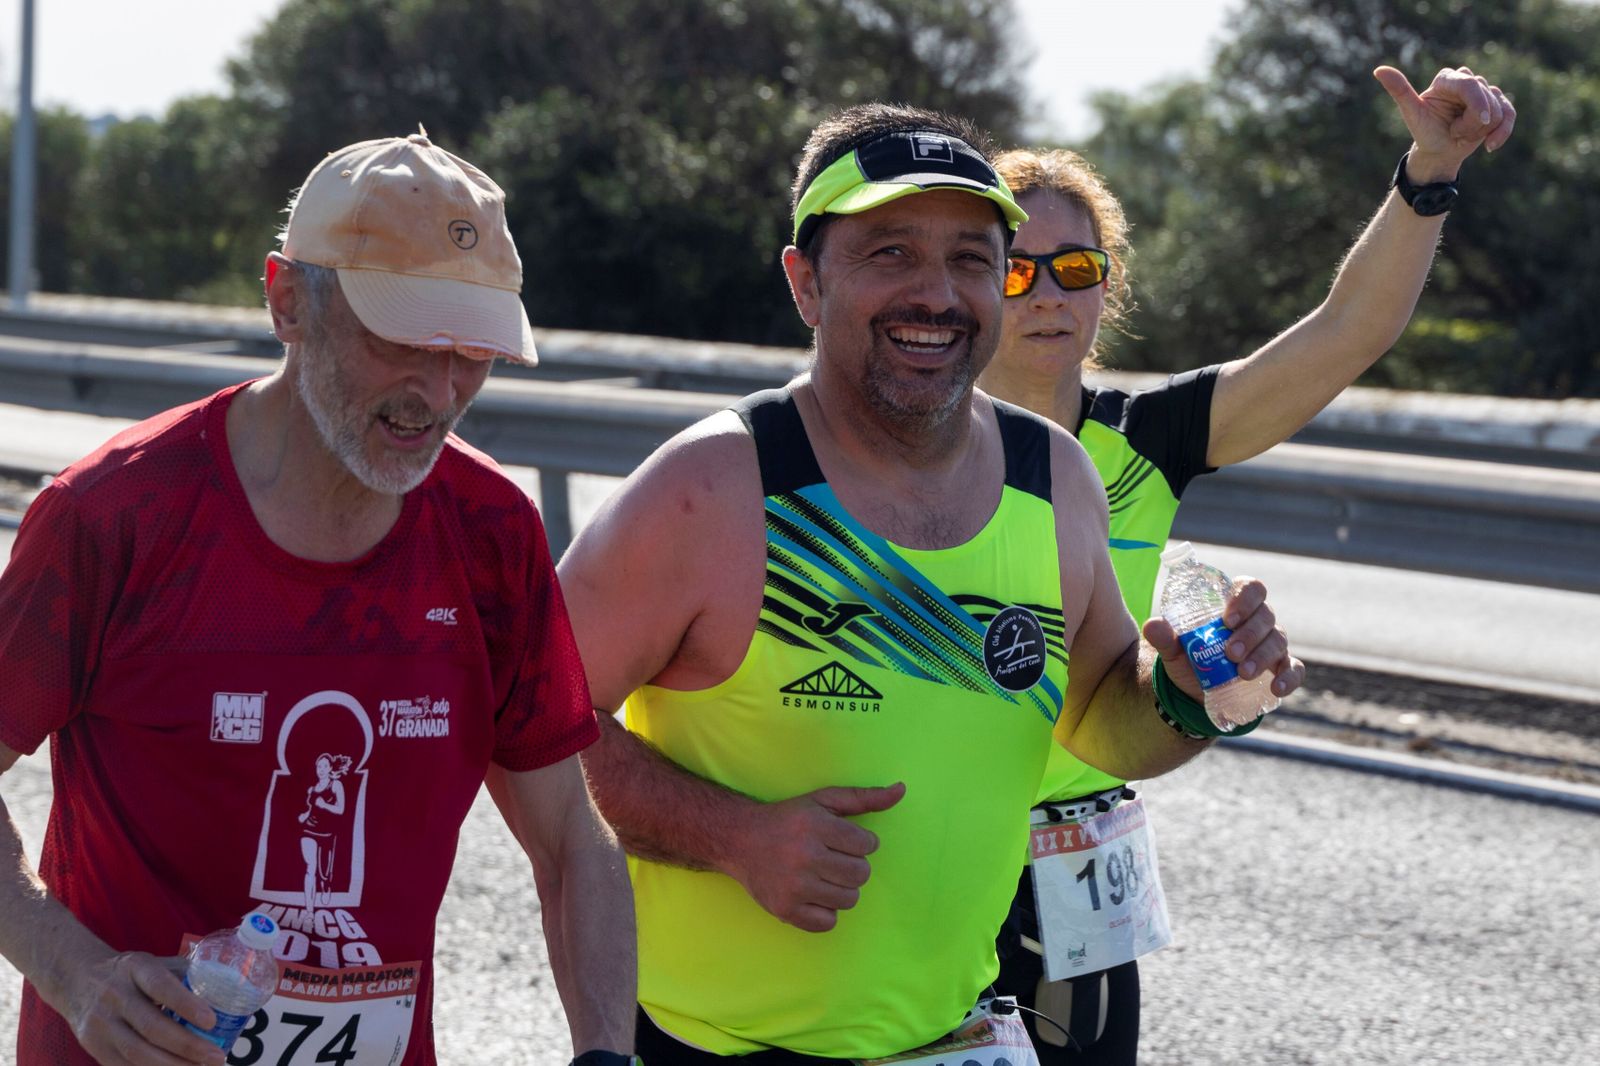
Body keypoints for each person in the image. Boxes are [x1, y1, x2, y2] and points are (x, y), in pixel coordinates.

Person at [557, 104, 1304, 1063]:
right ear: (805, 282)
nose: (936, 293)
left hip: (956, 1033)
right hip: (719, 1044)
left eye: (969, 258)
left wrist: (1193, 696)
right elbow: (533, 719)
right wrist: (730, 834)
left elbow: (1100, 718)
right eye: (889, 253)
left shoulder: (1054, 479)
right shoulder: (714, 489)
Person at [0, 132, 637, 1066]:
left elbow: (574, 843)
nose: (439, 390)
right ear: (287, 299)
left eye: (473, 352)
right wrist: (73, 971)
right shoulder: (112, 517)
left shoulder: (491, 530)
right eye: (401, 339)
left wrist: (606, 1057)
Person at [980, 66, 1516, 1062]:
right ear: (967, 281)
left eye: (1076, 270)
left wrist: (1428, 174)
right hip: (936, 841)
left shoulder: (1147, 437)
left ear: (1110, 287)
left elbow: (1347, 333)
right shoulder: (901, 453)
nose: (1045, 295)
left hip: (1077, 851)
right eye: (1012, 268)